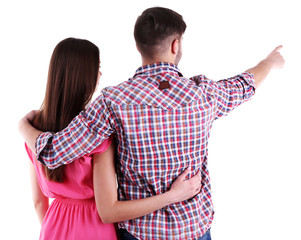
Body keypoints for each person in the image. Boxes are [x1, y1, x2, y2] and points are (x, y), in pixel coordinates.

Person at [19, 7, 285, 240]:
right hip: (193, 230)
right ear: (175, 45)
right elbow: (245, 83)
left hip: (137, 233)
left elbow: (53, 153)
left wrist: (23, 128)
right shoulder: (204, 95)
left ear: (138, 46)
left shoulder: (113, 102)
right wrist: (268, 63)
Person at [20, 37, 202, 240]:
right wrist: (172, 196)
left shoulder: (33, 130)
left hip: (53, 228)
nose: (100, 74)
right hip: (95, 229)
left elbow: (38, 202)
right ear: (83, 76)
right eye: (96, 67)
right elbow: (110, 210)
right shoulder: (97, 132)